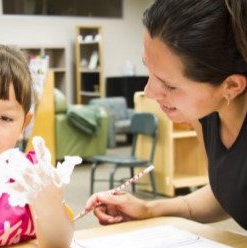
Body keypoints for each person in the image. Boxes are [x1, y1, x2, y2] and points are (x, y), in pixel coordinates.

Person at [85, 0, 247, 230]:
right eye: (148, 70)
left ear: (232, 86)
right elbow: (229, 193)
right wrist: (149, 210)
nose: (149, 92)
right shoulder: (206, 113)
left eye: (169, 85)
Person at [0, 41, 74, 248]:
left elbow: (58, 247)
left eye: (6, 118)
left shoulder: (29, 174)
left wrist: (49, 204)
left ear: (23, 125)